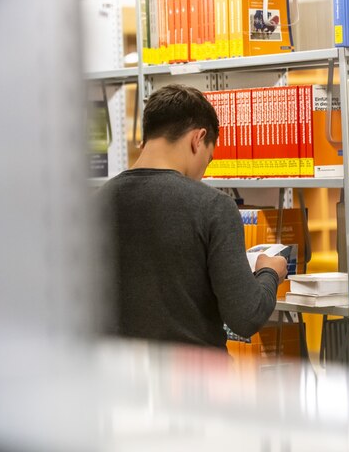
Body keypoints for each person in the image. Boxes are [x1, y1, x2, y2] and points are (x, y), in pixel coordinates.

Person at [98, 84, 288, 349]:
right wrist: (269, 272)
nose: (203, 173)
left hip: (115, 369)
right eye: (208, 160)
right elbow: (246, 317)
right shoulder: (213, 206)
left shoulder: (94, 204)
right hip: (194, 372)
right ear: (198, 139)